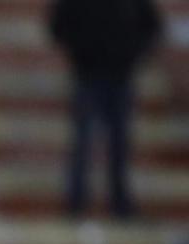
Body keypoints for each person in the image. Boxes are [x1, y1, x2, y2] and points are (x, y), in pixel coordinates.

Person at [48, 0, 161, 220]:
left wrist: (132, 55)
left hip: (120, 78)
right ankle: (76, 203)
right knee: (83, 142)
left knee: (119, 144)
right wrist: (78, 53)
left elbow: (153, 26)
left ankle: (119, 203)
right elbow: (57, 25)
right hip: (88, 78)